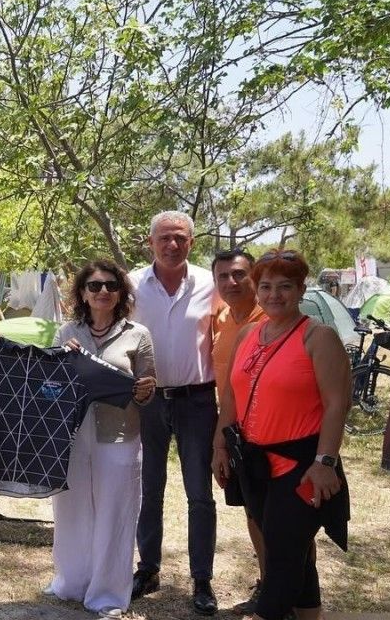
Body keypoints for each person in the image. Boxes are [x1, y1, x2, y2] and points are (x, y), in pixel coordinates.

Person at [214, 249, 351, 620]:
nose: (274, 295)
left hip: (302, 465)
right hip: (255, 463)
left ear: (301, 289)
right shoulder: (248, 334)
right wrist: (220, 445)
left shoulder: (318, 337)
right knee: (294, 553)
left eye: (285, 286)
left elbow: (337, 405)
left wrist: (325, 463)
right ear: (257, 290)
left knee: (283, 553)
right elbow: (231, 396)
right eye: (267, 286)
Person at [48, 260, 156, 618]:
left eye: (111, 285)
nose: (103, 291)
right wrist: (61, 362)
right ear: (83, 293)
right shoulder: (66, 332)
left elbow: (148, 391)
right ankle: (72, 582)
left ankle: (107, 593)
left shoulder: (138, 334)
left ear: (121, 293)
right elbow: (50, 387)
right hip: (74, 435)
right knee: (71, 511)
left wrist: (144, 391)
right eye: (94, 286)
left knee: (115, 513)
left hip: (119, 435)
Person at [127, 210, 218, 613]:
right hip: (147, 400)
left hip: (197, 400)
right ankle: (148, 569)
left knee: (200, 493)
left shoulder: (211, 284)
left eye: (180, 237)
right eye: (164, 237)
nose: (172, 244)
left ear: (191, 242)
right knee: (149, 489)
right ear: (151, 242)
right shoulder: (131, 285)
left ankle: (202, 579)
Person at [210, 249, 267, 613]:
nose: (231, 282)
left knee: (285, 520)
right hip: (238, 435)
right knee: (253, 513)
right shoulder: (221, 319)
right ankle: (269, 583)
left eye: (239, 274)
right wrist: (221, 442)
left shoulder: (273, 318)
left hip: (277, 435)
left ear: (254, 276)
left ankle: (296, 593)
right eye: (223, 276)